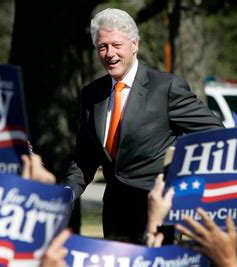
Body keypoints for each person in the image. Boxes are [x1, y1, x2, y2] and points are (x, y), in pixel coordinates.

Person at [64, 7, 223, 244]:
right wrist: (68, 193)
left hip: (155, 216)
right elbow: (85, 157)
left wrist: (179, 182)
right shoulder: (92, 95)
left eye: (116, 45)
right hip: (114, 216)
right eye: (102, 47)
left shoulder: (166, 88)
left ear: (134, 44)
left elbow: (215, 134)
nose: (109, 54)